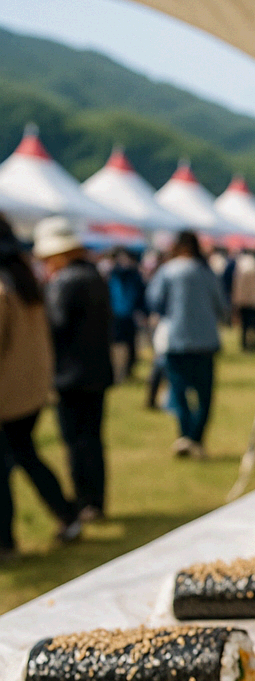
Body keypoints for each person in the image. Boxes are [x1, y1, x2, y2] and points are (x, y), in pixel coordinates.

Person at [0, 214, 81, 552]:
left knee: (12, 462)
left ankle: (5, 541)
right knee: (24, 455)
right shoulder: (24, 278)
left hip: (7, 393)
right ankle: (66, 513)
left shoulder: (5, 285)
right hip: (29, 391)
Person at [34, 217, 113, 522]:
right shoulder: (95, 276)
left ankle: (85, 502)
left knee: (76, 443)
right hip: (96, 372)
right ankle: (96, 501)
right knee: (92, 439)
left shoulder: (65, 282)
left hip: (70, 376)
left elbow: (53, 328)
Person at [147, 231, 228, 458]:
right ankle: (195, 439)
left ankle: (185, 436)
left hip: (177, 341)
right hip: (205, 342)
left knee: (179, 391)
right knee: (204, 396)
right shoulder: (206, 272)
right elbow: (221, 304)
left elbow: (154, 300)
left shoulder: (169, 271)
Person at [106, 248, 148, 381]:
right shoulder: (115, 274)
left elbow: (141, 295)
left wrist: (143, 311)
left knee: (128, 344)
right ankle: (119, 372)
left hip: (128, 315)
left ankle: (126, 372)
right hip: (117, 315)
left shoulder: (132, 275)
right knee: (118, 345)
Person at [231, 249, 255, 353]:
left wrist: (237, 301)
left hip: (245, 301)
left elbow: (238, 286)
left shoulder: (241, 266)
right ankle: (253, 346)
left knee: (245, 326)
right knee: (254, 326)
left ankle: (245, 345)